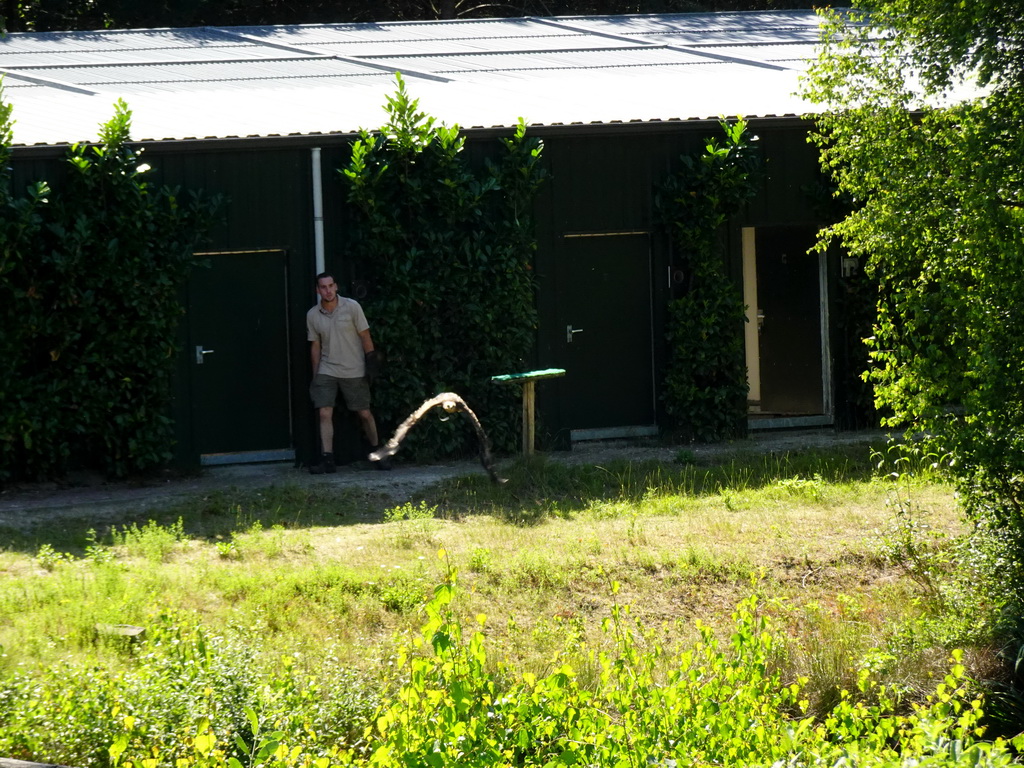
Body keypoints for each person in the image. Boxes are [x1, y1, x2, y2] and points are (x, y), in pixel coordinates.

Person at [306, 271, 389, 473]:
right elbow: (315, 347)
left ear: (336, 286)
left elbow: (365, 335)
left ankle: (377, 454)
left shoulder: (352, 307)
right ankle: (328, 460)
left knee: (364, 413)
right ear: (318, 290)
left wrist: (371, 365)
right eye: (323, 287)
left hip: (354, 368)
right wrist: (316, 376)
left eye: (330, 286)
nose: (327, 290)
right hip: (327, 368)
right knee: (324, 412)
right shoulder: (313, 315)